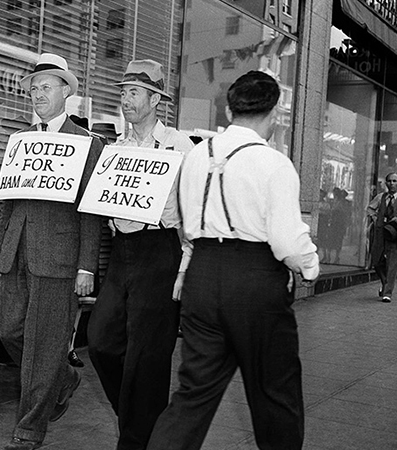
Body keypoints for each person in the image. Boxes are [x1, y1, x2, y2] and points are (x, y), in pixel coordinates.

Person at [147, 70, 319, 450]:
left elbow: (187, 225)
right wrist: (309, 266)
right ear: (275, 113)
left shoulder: (194, 157)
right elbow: (288, 242)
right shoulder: (274, 164)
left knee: (192, 395)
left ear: (228, 109)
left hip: (203, 276)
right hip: (256, 281)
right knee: (275, 393)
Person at [0, 53, 103, 450]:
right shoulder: (20, 140)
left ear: (66, 92)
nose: (38, 94)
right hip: (17, 251)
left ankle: (29, 431)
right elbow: (10, 199)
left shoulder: (87, 143)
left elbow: (92, 211)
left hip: (59, 258)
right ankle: (63, 376)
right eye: (34, 88)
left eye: (46, 87)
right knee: (9, 328)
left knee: (42, 344)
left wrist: (87, 265)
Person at [86, 59, 194, 450]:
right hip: (121, 250)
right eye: (122, 93)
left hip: (159, 249)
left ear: (154, 100)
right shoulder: (116, 147)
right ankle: (137, 416)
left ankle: (135, 440)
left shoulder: (178, 145)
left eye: (133, 93)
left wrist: (185, 264)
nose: (125, 100)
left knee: (147, 355)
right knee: (100, 340)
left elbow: (193, 208)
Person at [367, 172, 397, 303]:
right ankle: (385, 283)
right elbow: (369, 209)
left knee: (392, 264)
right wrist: (375, 218)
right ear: (386, 183)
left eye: (395, 181)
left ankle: (387, 293)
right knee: (377, 261)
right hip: (380, 233)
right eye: (389, 181)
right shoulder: (381, 197)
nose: (392, 184)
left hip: (395, 235)